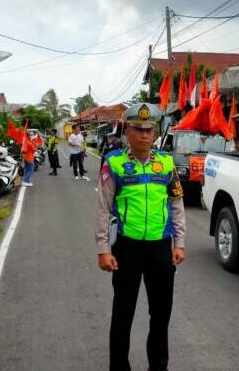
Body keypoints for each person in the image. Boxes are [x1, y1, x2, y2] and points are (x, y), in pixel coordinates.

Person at [95, 103, 186, 371]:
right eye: (138, 129)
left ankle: (158, 366)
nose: (144, 135)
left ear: (156, 132)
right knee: (122, 314)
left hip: (160, 247)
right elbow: (103, 207)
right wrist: (103, 249)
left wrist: (179, 243)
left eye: (149, 130)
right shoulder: (115, 163)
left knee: (160, 315)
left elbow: (177, 205)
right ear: (127, 130)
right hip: (126, 248)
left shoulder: (167, 164)